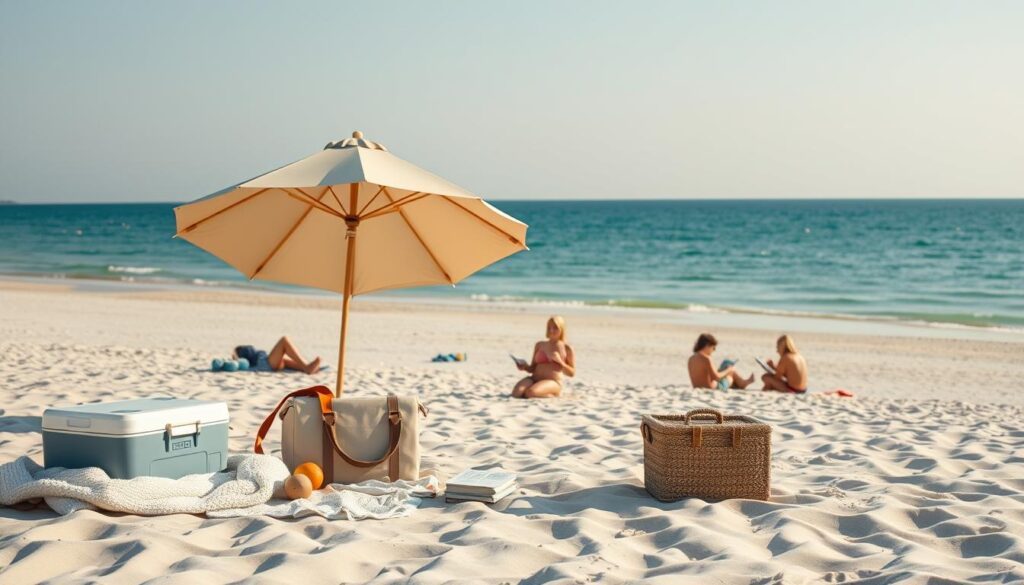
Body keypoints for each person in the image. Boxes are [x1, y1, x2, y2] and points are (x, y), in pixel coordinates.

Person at [512, 316, 576, 398]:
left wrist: (560, 362)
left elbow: (572, 373)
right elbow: (532, 368)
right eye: (549, 327)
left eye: (555, 328)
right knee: (516, 393)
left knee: (530, 393)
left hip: (553, 381)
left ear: (562, 329)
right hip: (534, 379)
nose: (551, 330)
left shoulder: (566, 348)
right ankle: (539, 392)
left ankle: (553, 394)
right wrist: (524, 367)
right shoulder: (539, 345)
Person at [687, 333, 754, 390]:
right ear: (707, 345)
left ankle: (740, 383)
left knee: (726, 363)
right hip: (713, 388)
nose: (714, 350)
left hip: (698, 387)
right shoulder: (706, 359)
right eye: (713, 348)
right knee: (731, 374)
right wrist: (729, 370)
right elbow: (716, 377)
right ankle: (742, 383)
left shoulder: (691, 359)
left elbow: (704, 376)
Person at [234, 336, 322, 374]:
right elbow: (240, 361)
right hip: (264, 363)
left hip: (266, 361)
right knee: (284, 341)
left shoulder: (241, 353)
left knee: (284, 361)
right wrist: (235, 356)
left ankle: (306, 367)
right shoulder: (239, 353)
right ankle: (307, 367)